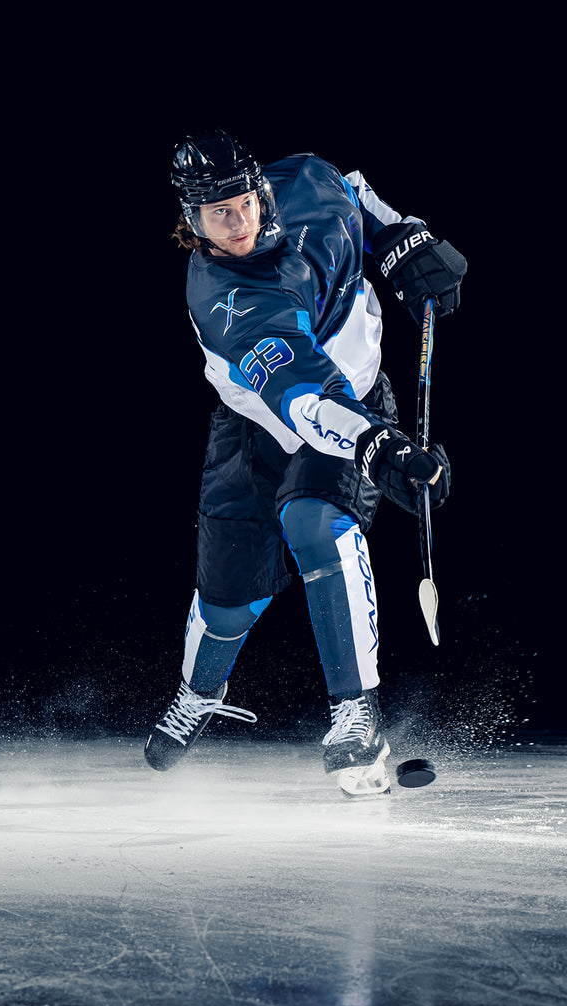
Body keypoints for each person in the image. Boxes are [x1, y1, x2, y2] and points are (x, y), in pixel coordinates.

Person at [143, 129, 467, 796]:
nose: (239, 223)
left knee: (316, 523)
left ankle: (357, 716)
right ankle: (200, 692)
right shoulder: (226, 298)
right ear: (191, 220)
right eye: (218, 214)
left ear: (259, 188)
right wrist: (379, 448)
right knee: (229, 601)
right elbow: (305, 400)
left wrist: (404, 239)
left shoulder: (309, 181)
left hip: (356, 400)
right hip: (266, 422)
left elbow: (356, 195)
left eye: (244, 202)